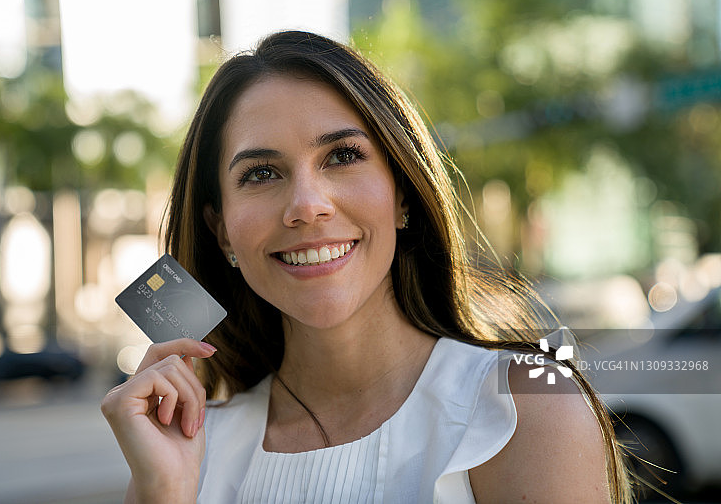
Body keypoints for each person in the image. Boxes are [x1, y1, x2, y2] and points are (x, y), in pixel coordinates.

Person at [101, 30, 632, 503]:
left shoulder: (520, 412)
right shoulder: (189, 452)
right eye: (262, 173)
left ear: (401, 191)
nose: (307, 205)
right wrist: (162, 494)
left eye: (341, 156)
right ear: (222, 231)